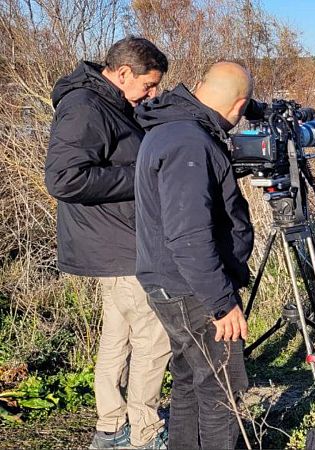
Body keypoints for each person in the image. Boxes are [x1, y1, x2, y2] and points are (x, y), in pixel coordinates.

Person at [44, 37, 171, 449]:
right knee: (153, 339)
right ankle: (146, 433)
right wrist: (140, 175)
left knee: (117, 336)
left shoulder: (109, 102)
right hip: (119, 246)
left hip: (114, 242)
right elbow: (64, 178)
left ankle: (112, 426)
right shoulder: (85, 107)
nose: (152, 94)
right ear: (122, 74)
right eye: (148, 86)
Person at [134, 61, 254, 449]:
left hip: (170, 286)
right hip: (192, 291)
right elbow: (188, 236)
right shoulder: (190, 141)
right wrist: (222, 303)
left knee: (189, 380)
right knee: (222, 388)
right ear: (238, 105)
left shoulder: (171, 127)